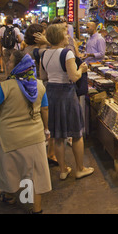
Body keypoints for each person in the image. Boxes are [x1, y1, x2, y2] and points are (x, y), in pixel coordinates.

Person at [0, 51, 51, 214]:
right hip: (35, 136)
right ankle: (37, 209)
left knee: (10, 169)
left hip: (11, 138)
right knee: (37, 174)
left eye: (11, 61)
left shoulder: (6, 87)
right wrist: (46, 129)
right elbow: (44, 108)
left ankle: (10, 196)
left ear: (19, 66)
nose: (7, 63)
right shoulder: (39, 85)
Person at [39, 24, 94, 180]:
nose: (67, 37)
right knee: (76, 133)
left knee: (57, 135)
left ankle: (63, 170)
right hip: (66, 94)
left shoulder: (44, 54)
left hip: (51, 93)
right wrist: (82, 69)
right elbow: (74, 77)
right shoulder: (67, 53)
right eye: (65, 34)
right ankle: (80, 168)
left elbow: (43, 76)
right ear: (60, 37)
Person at [22, 23, 58, 166]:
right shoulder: (40, 50)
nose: (46, 36)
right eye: (43, 33)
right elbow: (58, 51)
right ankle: (50, 154)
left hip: (27, 88)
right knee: (48, 121)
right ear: (37, 36)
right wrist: (47, 42)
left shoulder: (25, 49)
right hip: (41, 87)